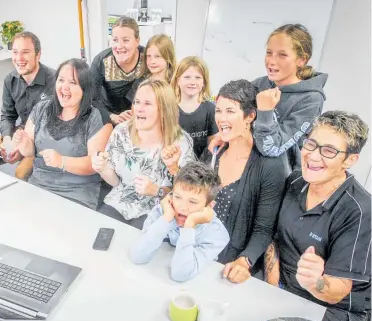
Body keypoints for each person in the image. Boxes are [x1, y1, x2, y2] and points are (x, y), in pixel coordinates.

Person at [265, 111, 371, 321]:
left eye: (329, 151)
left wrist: (315, 283)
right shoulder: (294, 181)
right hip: (288, 289)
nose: (313, 156)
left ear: (350, 160)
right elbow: (274, 240)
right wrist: (272, 289)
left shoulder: (359, 211)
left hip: (337, 310)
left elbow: (339, 290)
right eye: (311, 144)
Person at [210, 24, 327, 173]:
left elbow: (272, 149)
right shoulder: (261, 83)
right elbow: (239, 117)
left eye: (282, 55)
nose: (271, 61)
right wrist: (223, 135)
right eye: (269, 53)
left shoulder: (311, 99)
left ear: (301, 60)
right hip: (245, 167)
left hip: (275, 179)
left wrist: (266, 112)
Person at [201, 79, 287, 283]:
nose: (221, 118)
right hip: (198, 248)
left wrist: (244, 261)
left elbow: (264, 229)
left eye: (230, 111)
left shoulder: (269, 167)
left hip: (228, 263)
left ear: (250, 116)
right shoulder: (214, 151)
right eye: (218, 110)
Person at [91, 79, 195, 229]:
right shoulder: (121, 131)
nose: (139, 108)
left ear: (164, 109)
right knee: (97, 232)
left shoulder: (180, 142)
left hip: (159, 208)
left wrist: (157, 190)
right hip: (120, 201)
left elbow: (189, 193)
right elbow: (115, 182)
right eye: (137, 102)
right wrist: (102, 168)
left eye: (147, 104)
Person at [12, 59, 111, 209]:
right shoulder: (41, 108)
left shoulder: (97, 116)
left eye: (73, 82)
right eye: (61, 80)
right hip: (39, 184)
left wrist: (62, 161)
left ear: (85, 88)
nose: (64, 87)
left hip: (77, 191)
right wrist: (24, 143)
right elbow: (30, 151)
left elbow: (95, 164)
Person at [130, 161, 229, 281]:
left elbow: (180, 274)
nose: (182, 207)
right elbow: (137, 256)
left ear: (209, 206)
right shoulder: (164, 211)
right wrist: (167, 219)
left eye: (192, 202)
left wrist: (189, 225)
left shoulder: (217, 234)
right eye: (177, 197)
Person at [0, 32, 55, 181]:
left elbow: (54, 127)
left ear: (38, 55)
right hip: (20, 132)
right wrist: (7, 140)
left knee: (21, 173)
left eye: (25, 52)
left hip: (45, 139)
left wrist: (23, 147)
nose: (19, 58)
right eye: (15, 52)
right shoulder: (10, 80)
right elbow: (7, 116)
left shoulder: (54, 81)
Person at [90, 16, 145, 126]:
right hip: (109, 116)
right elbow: (92, 98)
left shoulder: (148, 58)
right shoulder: (101, 61)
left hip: (141, 117)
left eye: (126, 40)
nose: (119, 46)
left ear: (137, 41)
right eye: (115, 40)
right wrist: (111, 116)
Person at [172, 56, 218, 159]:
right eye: (187, 77)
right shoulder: (170, 109)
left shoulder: (210, 109)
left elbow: (213, 144)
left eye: (198, 77)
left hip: (201, 169)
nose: (192, 82)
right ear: (178, 80)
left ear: (204, 82)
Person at [126, 34, 176, 103]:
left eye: (157, 56)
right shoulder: (140, 82)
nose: (152, 61)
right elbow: (134, 108)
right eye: (149, 56)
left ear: (168, 57)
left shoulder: (176, 82)